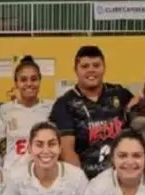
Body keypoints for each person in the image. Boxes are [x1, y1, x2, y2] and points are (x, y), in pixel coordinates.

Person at [49, 45, 134, 179]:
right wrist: (82, 185)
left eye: (96, 65)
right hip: (87, 180)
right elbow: (67, 151)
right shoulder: (64, 104)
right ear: (76, 70)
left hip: (122, 176)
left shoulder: (120, 94)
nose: (91, 70)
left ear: (104, 67)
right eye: (85, 66)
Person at [0, 56, 53, 170]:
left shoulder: (51, 108)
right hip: (13, 175)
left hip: (42, 174)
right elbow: (1, 145)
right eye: (23, 79)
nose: (29, 84)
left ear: (40, 80)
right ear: (16, 83)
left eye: (34, 79)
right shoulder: (5, 110)